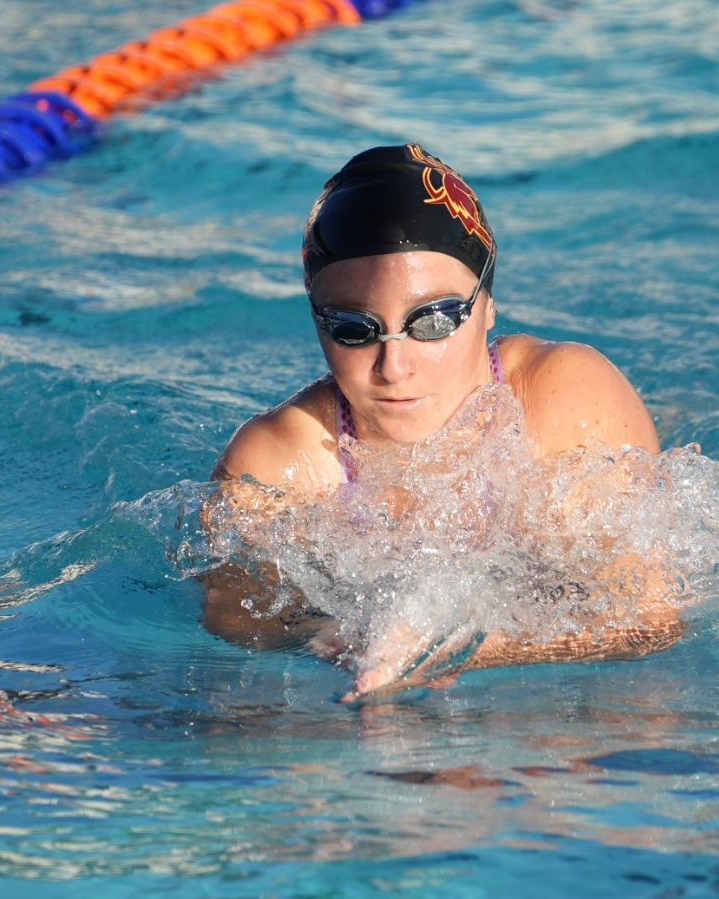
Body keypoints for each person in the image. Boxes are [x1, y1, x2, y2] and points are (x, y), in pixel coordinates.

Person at [205, 144, 684, 701]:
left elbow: (651, 617)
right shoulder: (277, 462)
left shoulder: (564, 401)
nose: (394, 366)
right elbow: (233, 620)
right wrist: (345, 639)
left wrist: (462, 647)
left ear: (487, 306)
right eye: (354, 329)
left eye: (431, 321)